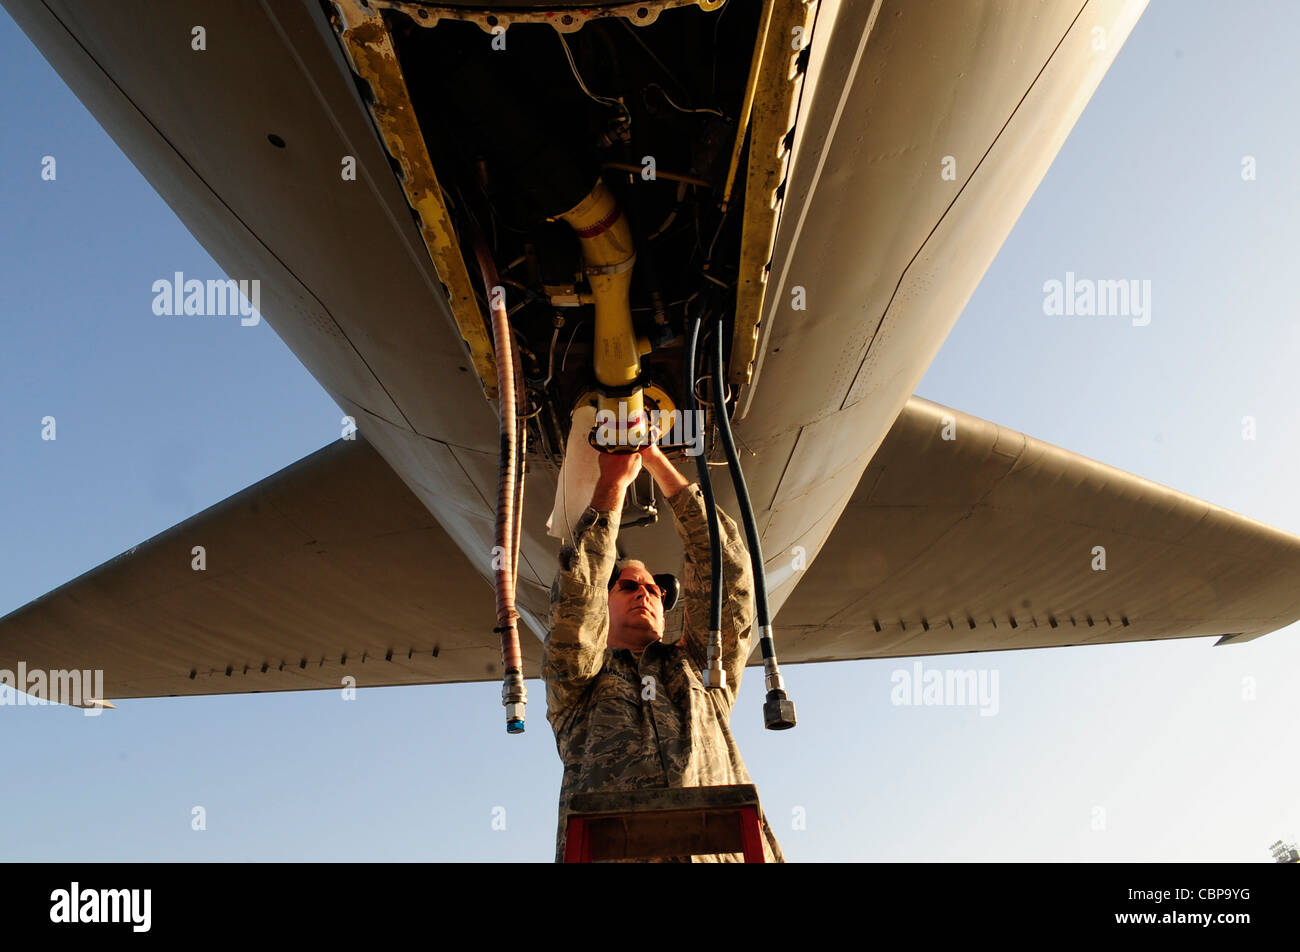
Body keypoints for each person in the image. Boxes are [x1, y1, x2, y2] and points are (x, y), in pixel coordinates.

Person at [543, 440, 785, 862]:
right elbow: (576, 603)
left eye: (655, 590)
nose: (647, 594)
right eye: (630, 586)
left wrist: (656, 461)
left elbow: (728, 575)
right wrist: (612, 485)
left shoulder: (700, 671)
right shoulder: (580, 687)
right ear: (607, 599)